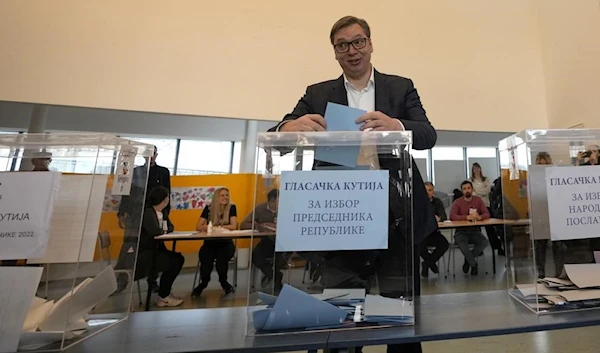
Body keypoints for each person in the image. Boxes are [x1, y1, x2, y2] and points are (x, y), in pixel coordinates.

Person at [269, 15, 437, 353]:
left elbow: (427, 135)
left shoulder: (400, 87)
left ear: (371, 44)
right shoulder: (318, 93)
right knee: (341, 321)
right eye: (342, 45)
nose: (352, 50)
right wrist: (288, 127)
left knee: (402, 320)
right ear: (335, 52)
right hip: (342, 218)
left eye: (358, 41)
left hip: (396, 218)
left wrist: (396, 125)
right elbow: (280, 136)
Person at [116, 145, 171, 292]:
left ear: (156, 155)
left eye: (153, 154)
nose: (150, 156)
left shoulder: (163, 172)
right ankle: (119, 282)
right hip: (136, 215)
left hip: (153, 216)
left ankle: (152, 281)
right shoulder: (136, 172)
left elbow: (167, 195)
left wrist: (164, 217)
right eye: (147, 154)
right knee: (128, 246)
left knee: (155, 247)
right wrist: (122, 213)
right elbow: (126, 192)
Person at [135, 186, 184, 307]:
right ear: (163, 199)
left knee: (179, 258)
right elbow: (154, 231)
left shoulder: (162, 213)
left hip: (157, 250)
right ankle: (164, 296)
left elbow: (171, 227)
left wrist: (163, 231)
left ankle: (164, 293)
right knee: (173, 262)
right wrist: (163, 231)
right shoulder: (148, 213)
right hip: (146, 253)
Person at [192, 187, 237, 297]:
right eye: (222, 195)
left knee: (222, 259)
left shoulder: (232, 207)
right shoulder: (208, 208)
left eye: (227, 195)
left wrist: (216, 227)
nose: (225, 197)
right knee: (205, 257)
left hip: (226, 243)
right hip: (210, 243)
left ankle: (224, 282)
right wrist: (209, 227)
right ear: (217, 197)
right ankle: (204, 282)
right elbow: (198, 226)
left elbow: (233, 226)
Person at [240, 189, 285, 292]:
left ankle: (272, 274)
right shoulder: (260, 209)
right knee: (256, 255)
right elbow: (243, 225)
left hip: (281, 241)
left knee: (283, 255)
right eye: (279, 200)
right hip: (267, 241)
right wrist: (258, 226)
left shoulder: (286, 209)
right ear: (272, 201)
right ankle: (275, 276)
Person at [450, 180, 490, 276]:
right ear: (462, 191)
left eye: (468, 188)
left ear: (472, 189)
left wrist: (480, 217)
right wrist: (466, 217)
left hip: (474, 231)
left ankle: (468, 260)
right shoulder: (457, 202)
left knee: (484, 242)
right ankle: (474, 264)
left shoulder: (478, 200)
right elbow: (452, 216)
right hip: (461, 232)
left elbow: (487, 213)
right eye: (464, 189)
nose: (467, 190)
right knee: (463, 245)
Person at [470, 163, 503, 255]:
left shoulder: (486, 179)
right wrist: (480, 193)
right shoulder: (470, 180)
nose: (476, 170)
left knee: (491, 229)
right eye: (474, 169)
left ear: (480, 169)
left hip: (486, 206)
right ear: (472, 170)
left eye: (477, 168)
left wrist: (477, 192)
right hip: (475, 207)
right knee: (477, 230)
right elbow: (472, 193)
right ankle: (479, 249)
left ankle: (498, 248)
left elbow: (487, 190)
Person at [420, 182, 450, 277]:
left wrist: (439, 218)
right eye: (425, 190)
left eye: (430, 190)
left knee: (444, 244)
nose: (428, 192)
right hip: (422, 234)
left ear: (433, 191)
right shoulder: (418, 203)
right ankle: (431, 263)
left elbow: (443, 216)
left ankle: (427, 263)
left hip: (434, 232)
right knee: (419, 247)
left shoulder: (437, 202)